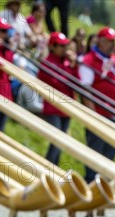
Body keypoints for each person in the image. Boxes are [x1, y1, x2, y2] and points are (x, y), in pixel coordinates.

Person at [79, 27, 115, 182]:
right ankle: (91, 182)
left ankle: (105, 180)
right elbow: (86, 90)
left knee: (112, 148)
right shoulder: (89, 60)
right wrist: (93, 116)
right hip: (99, 114)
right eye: (110, 41)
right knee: (95, 151)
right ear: (100, 41)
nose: (113, 44)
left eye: (114, 41)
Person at [38, 32, 79, 165]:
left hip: (66, 109)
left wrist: (74, 66)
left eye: (65, 45)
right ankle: (46, 170)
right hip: (53, 108)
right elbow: (57, 83)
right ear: (52, 47)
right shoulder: (47, 63)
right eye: (61, 46)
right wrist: (69, 69)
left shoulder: (68, 63)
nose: (64, 49)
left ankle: (52, 171)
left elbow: (77, 83)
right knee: (57, 142)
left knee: (60, 144)